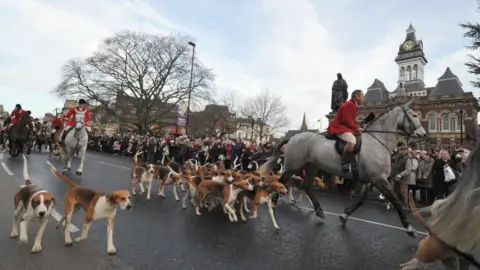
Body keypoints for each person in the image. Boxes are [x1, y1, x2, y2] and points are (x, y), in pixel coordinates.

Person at [327, 89, 364, 171]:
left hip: (344, 127)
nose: (363, 98)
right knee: (352, 140)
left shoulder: (353, 105)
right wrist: (357, 128)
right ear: (357, 97)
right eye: (362, 96)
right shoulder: (350, 105)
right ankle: (345, 163)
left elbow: (352, 120)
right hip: (338, 127)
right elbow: (346, 120)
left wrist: (358, 127)